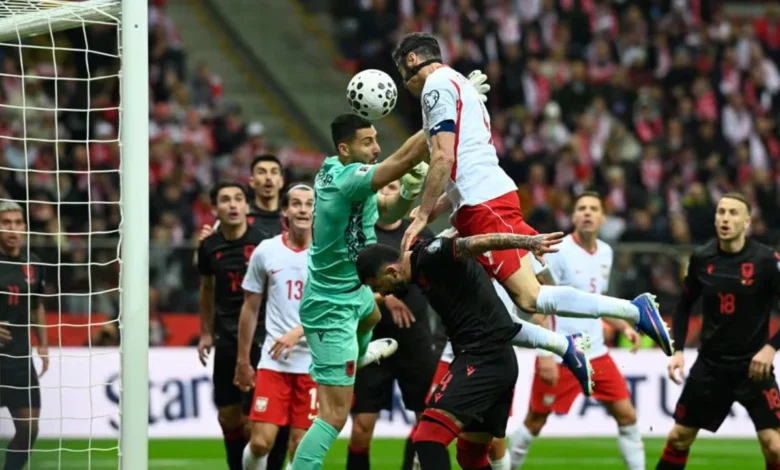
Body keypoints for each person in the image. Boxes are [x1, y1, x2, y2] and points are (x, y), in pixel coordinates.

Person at [391, 31, 673, 357]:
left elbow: (443, 157)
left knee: (529, 297)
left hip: (485, 205)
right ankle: (565, 346)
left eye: (403, 74)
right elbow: (463, 166)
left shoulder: (435, 85)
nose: (405, 84)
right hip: (480, 202)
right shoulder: (459, 83)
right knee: (498, 304)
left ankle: (632, 312)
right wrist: (435, 209)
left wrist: (423, 215)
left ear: (412, 60)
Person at [356, 231, 585, 470]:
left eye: (378, 286)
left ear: (391, 271)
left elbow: (476, 242)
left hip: (482, 359)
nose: (383, 294)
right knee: (470, 456)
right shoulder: (416, 264)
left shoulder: (432, 255)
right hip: (494, 359)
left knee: (427, 439)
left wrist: (528, 242)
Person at [291, 113, 434, 469]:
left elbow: (387, 210)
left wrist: (407, 191)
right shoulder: (345, 180)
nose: (376, 148)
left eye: (376, 139)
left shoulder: (344, 173)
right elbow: (402, 159)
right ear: (345, 149)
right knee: (333, 416)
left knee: (371, 313)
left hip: (353, 293)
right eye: (367, 142)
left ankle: (359, 353)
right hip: (331, 308)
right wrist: (441, 117)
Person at [510, 192, 645, 470]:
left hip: (596, 353)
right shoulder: (559, 251)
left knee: (627, 416)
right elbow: (538, 301)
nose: (587, 213)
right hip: (562, 353)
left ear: (602, 217)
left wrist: (623, 326)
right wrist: (544, 354)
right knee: (535, 420)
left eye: (593, 208)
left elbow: (596, 301)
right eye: (581, 208)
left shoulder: (606, 252)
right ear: (573, 217)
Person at [656, 193, 780, 470]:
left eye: (733, 213)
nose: (725, 218)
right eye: (721, 212)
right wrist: (678, 351)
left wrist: (771, 348)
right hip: (711, 366)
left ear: (747, 222)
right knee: (678, 437)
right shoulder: (702, 257)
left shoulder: (765, 260)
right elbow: (683, 306)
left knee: (774, 447)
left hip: (753, 368)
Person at [347, 180, 440, 470]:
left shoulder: (419, 233)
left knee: (426, 421)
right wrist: (385, 297)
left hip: (416, 341)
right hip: (370, 341)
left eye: (394, 187)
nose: (388, 192)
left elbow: (437, 282)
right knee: (361, 428)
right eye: (383, 188)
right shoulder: (360, 234)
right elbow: (350, 288)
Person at [234, 185, 316, 470]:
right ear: (285, 211)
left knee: (301, 448)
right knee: (260, 443)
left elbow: (335, 308)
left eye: (309, 204)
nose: (303, 209)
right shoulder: (266, 251)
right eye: (296, 204)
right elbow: (250, 307)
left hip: (314, 364)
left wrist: (299, 331)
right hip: (274, 362)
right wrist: (243, 361)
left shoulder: (327, 254)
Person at [197, 182, 270, 470]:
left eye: (238, 199)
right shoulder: (209, 246)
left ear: (247, 207)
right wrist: (205, 332)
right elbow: (206, 288)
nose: (232, 205)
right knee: (228, 417)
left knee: (254, 422)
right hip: (226, 339)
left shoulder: (264, 244)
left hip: (261, 338)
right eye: (225, 200)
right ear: (215, 209)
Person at [0, 202, 48, 470]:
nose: (13, 229)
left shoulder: (34, 263)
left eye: (18, 223)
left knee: (29, 429)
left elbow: (37, 304)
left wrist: (43, 344)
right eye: (6, 223)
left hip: (19, 357)